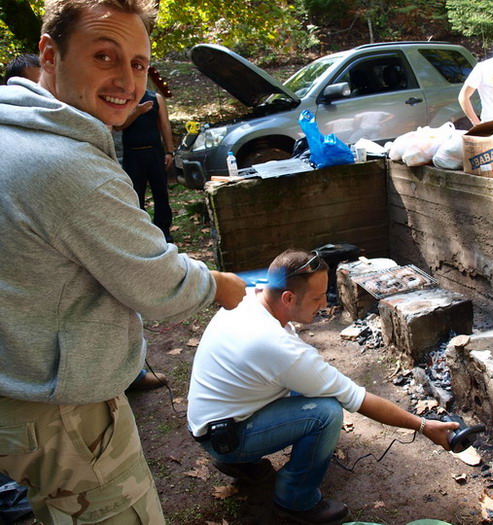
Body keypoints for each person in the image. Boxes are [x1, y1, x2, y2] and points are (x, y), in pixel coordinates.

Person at [0, 0, 247, 523]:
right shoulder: (67, 169)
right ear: (50, 53)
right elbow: (157, 283)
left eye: (137, 63)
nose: (127, 80)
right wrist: (218, 284)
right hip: (61, 412)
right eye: (105, 56)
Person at [187, 249, 460, 525]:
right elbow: (359, 399)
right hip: (226, 436)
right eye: (317, 297)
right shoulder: (279, 348)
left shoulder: (249, 296)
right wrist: (423, 425)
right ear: (288, 298)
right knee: (326, 413)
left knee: (304, 389)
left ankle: (244, 465)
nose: (324, 303)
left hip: (213, 420)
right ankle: (296, 500)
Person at [116, 81, 174, 241]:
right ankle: (142, 233)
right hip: (132, 155)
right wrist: (137, 111)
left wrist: (169, 151)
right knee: (136, 195)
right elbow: (119, 125)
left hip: (154, 152)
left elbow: (165, 125)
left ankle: (164, 232)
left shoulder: (155, 98)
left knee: (161, 192)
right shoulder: (123, 99)